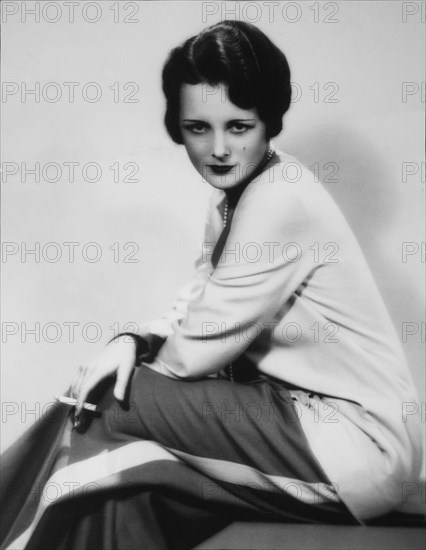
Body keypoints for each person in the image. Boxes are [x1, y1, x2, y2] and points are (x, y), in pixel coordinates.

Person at [1, 20, 423, 550]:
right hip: (294, 421)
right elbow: (196, 302)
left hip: (354, 444)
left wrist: (137, 358)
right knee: (129, 487)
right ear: (178, 126)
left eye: (239, 127)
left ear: (269, 121)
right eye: (199, 128)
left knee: (107, 401)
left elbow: (192, 356)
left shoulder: (279, 199)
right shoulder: (237, 197)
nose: (219, 149)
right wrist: (133, 341)